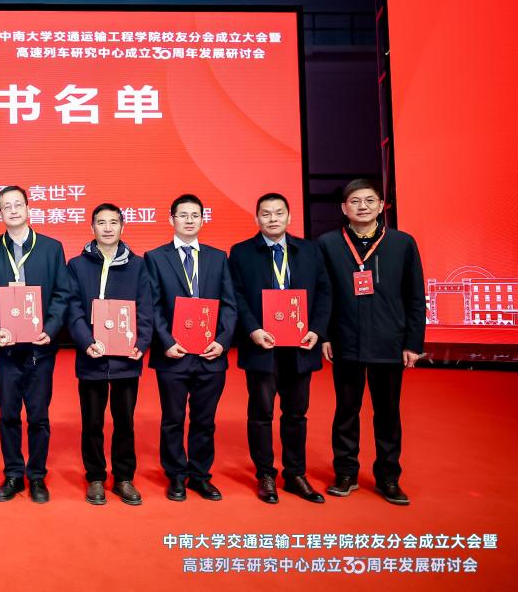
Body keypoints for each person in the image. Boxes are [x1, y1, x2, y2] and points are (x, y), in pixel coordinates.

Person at [318, 178, 425, 506]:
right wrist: (324, 335)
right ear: (343, 208)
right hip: (345, 340)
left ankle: (388, 476)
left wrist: (412, 343)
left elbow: (415, 296)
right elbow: (322, 295)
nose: (362, 206)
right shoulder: (328, 244)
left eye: (368, 200)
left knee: (388, 412)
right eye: (354, 201)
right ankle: (345, 472)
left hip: (388, 342)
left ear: (381, 206)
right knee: (346, 410)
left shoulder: (402, 243)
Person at [228, 193, 332, 504]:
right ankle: (266, 475)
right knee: (261, 413)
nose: (272, 219)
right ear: (256, 218)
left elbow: (325, 292)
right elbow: (236, 296)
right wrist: (253, 330)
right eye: (266, 214)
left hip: (301, 345)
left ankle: (295, 474)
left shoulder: (310, 250)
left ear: (289, 217)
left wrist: (316, 330)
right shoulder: (241, 252)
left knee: (296, 413)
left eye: (278, 213)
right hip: (263, 345)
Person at [0, 186, 70, 504]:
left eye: (19, 204)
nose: (14, 210)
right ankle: (14, 474)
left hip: (40, 348)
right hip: (5, 348)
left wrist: (51, 328)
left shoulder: (51, 248)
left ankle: (37, 475)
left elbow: (62, 294)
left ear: (29, 208)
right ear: (0, 213)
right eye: (7, 206)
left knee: (39, 415)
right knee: (8, 414)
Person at [145, 194, 237, 502]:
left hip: (211, 353)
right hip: (174, 354)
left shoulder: (218, 257)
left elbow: (229, 305)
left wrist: (222, 341)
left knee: (204, 420)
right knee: (172, 419)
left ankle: (200, 475)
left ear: (202, 219)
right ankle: (176, 475)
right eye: (182, 215)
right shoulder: (155, 257)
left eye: (194, 215)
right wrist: (166, 342)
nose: (188, 220)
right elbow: (153, 305)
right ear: (171, 219)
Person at [66, 203, 153, 506]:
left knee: (124, 420)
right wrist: (86, 341)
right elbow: (73, 309)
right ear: (92, 228)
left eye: (113, 222)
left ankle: (124, 477)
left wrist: (141, 343)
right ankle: (95, 477)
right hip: (92, 356)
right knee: (92, 421)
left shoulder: (138, 265)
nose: (107, 228)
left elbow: (146, 307)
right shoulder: (77, 265)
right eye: (101, 223)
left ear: (122, 227)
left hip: (126, 358)